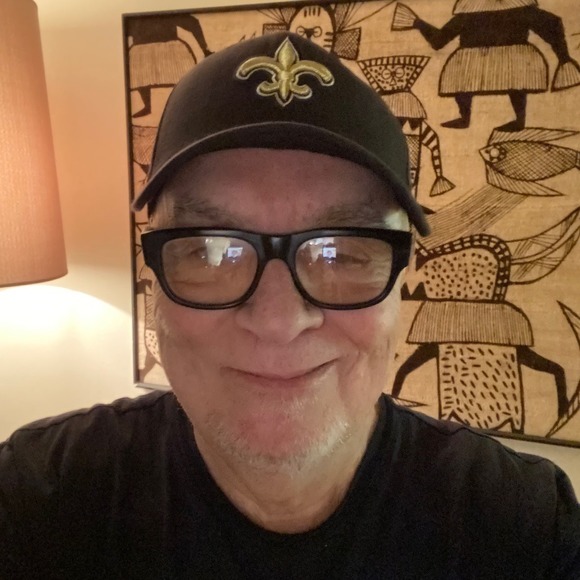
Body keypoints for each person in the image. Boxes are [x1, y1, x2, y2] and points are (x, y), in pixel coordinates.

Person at [0, 32, 578, 579]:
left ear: (402, 281)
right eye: (212, 249)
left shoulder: (521, 525)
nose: (278, 322)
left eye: (341, 252)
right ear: (153, 279)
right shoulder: (40, 498)